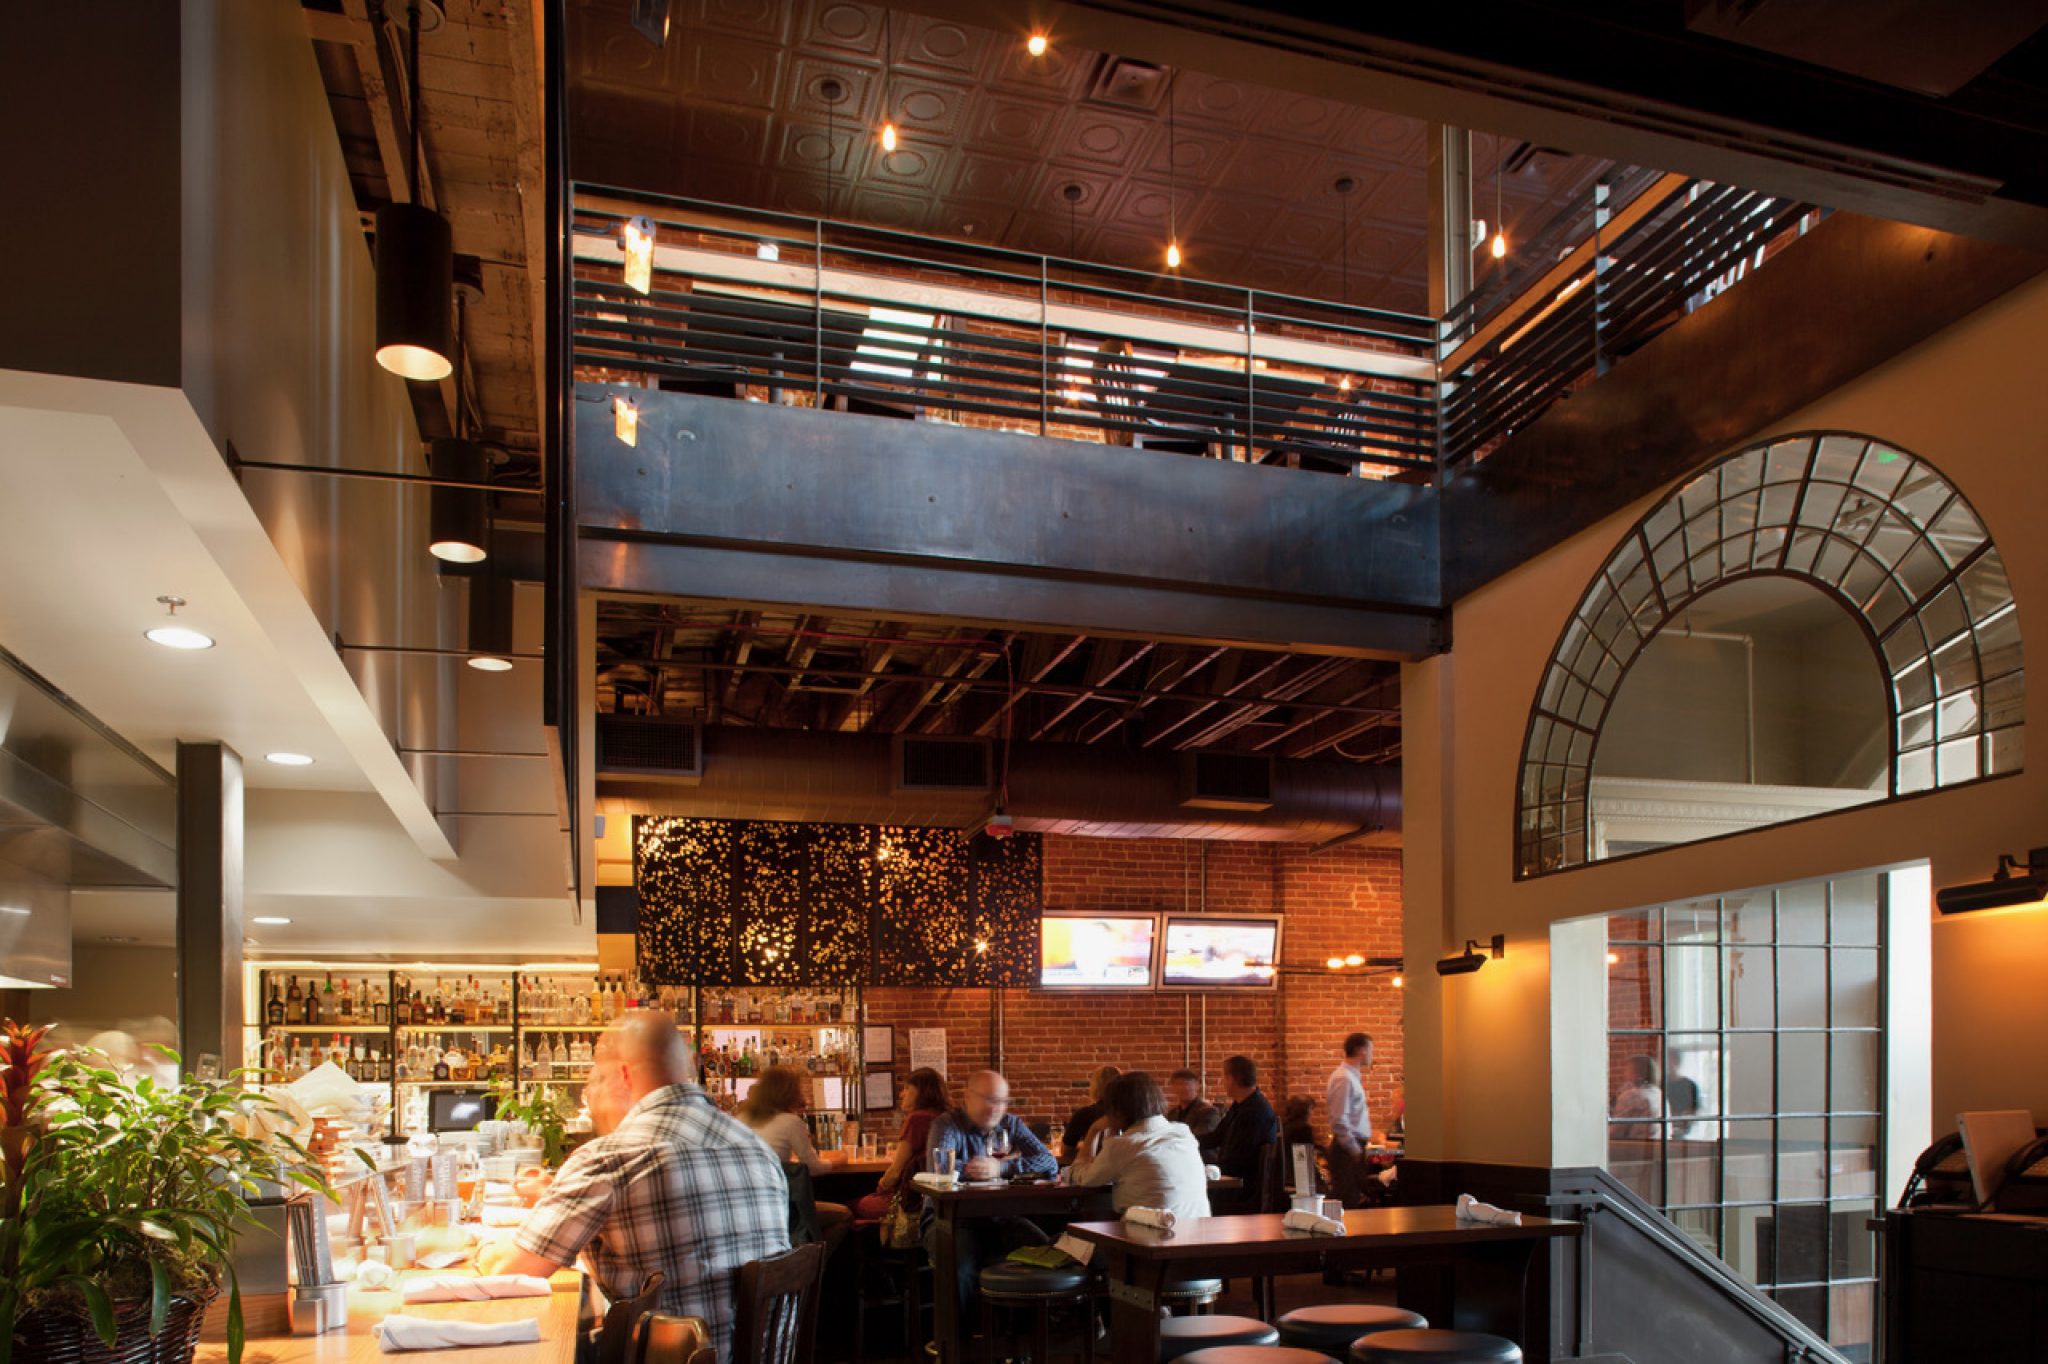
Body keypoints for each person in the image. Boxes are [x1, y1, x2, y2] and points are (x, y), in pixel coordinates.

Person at [478, 1013, 790, 1364]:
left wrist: (483, 1245)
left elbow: (510, 1275)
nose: (590, 1095)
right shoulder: (756, 1148)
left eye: (597, 1078)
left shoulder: (612, 1156)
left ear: (624, 1075)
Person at [924, 1070, 1059, 1319]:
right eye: (990, 1099)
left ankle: (1025, 1342)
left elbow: (1048, 1162)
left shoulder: (1011, 1124)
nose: (997, 1108)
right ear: (967, 1097)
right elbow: (941, 1168)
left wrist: (1003, 1167)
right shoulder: (947, 1124)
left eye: (1002, 1101)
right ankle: (962, 1344)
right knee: (960, 1268)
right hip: (949, 1221)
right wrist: (979, 1168)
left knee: (1046, 1255)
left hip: (999, 1218)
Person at [1067, 1071, 1212, 1221]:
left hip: (1152, 1237)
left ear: (1116, 1110)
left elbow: (1082, 1178)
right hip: (1200, 1232)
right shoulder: (1183, 1132)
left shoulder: (1123, 1146)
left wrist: (1094, 1130)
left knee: (1081, 1226)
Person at [737, 1063, 850, 1254]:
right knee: (844, 1215)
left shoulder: (741, 1118)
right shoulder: (790, 1121)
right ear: (788, 1092)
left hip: (744, 1208)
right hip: (780, 1209)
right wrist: (839, 1161)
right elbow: (812, 1168)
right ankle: (811, 1268)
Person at [853, 1066, 949, 1220]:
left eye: (907, 1088)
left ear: (922, 1091)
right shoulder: (946, 1117)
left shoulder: (916, 1119)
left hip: (911, 1200)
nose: (901, 1094)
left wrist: (881, 1186)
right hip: (937, 1198)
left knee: (856, 1205)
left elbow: (894, 1172)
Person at [1199, 1055, 1279, 1189]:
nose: (1222, 1082)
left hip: (1242, 1187)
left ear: (1232, 1079)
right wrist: (1184, 1141)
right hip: (1234, 1179)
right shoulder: (1241, 1105)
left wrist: (1203, 1170)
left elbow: (1238, 1161)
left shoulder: (1255, 1112)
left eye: (1224, 1077)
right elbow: (1215, 1137)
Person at [1324, 1031, 1374, 1206]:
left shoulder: (1349, 1077)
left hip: (1350, 1147)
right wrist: (1354, 1149)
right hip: (1347, 1148)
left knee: (1351, 1198)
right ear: (1361, 1050)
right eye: (1370, 1049)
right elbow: (1339, 1118)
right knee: (1346, 1200)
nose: (1371, 1055)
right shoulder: (1344, 1078)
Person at [1058, 1064, 1120, 1162]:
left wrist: (1086, 1146)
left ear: (1095, 1086)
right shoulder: (1129, 1113)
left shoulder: (1084, 1114)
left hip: (1091, 1169)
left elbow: (1066, 1151)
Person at [1611, 1054, 1664, 1141]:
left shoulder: (1633, 1095)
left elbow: (1616, 1131)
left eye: (1627, 1070)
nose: (1624, 1074)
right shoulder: (1659, 1093)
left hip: (1636, 1148)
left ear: (1636, 1072)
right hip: (1659, 1147)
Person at [1165, 1068, 1222, 1138]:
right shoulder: (1172, 1114)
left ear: (1197, 1085)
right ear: (1173, 1087)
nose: (1184, 1088)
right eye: (1179, 1084)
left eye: (1188, 1083)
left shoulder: (1208, 1112)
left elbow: (1200, 1139)